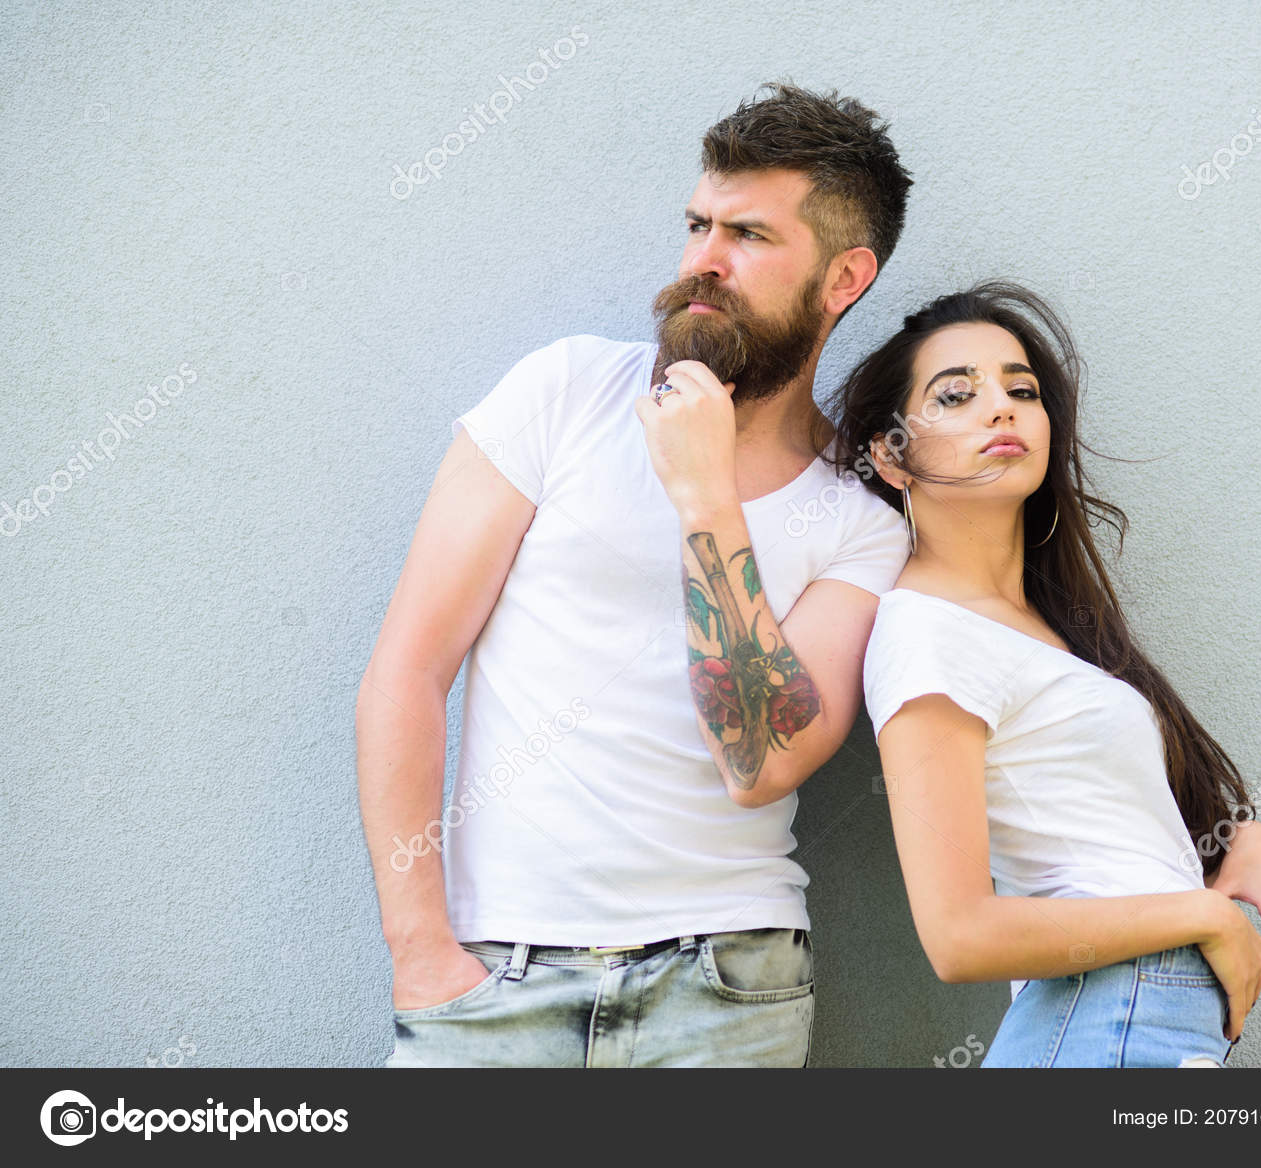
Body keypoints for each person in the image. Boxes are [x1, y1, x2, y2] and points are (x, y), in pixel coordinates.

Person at [357, 82, 915, 1067]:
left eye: (746, 234)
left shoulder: (861, 525)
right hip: (497, 978)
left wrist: (705, 499)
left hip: (727, 994)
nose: (702, 258)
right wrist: (422, 954)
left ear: (842, 279)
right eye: (698, 223)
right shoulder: (564, 392)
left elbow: (760, 761)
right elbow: (407, 670)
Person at [825, 280, 1261, 1067]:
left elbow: (1093, 831)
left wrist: (1238, 841)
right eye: (955, 395)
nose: (1001, 408)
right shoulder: (927, 632)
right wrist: (1203, 917)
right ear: (890, 454)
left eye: (1022, 390)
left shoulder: (1050, 628)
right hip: (1105, 1015)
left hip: (1132, 1017)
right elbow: (958, 936)